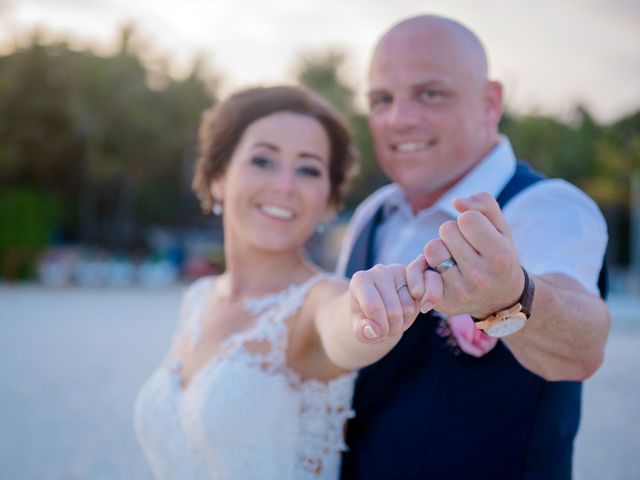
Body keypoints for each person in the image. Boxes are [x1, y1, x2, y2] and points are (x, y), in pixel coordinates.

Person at [336, 15, 610, 480]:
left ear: (490, 102)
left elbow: (584, 348)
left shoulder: (551, 208)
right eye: (382, 99)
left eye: (430, 94)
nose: (399, 118)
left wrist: (510, 296)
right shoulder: (372, 212)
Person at [134, 85, 432, 480]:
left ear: (329, 199)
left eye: (308, 169)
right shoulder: (197, 298)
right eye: (264, 160)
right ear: (218, 177)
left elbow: (345, 326)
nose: (286, 185)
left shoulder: (319, 301)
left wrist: (372, 310)